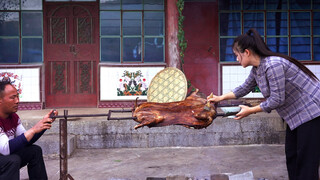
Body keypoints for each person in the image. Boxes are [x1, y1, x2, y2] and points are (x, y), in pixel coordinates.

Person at [208, 28, 320, 180]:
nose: (236, 59)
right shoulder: (257, 69)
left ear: (246, 52)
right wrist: (219, 98)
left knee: (306, 162)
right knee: (292, 157)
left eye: (237, 55)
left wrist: (250, 110)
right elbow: (244, 88)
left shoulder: (273, 65)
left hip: (312, 111)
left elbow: (277, 99)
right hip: (295, 116)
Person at [0, 80, 58, 180]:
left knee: (34, 151)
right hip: (4, 160)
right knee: (13, 160)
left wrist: (45, 123)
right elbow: (5, 149)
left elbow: (26, 140)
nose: (17, 101)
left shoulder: (13, 117)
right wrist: (33, 129)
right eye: (12, 97)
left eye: (17, 96)